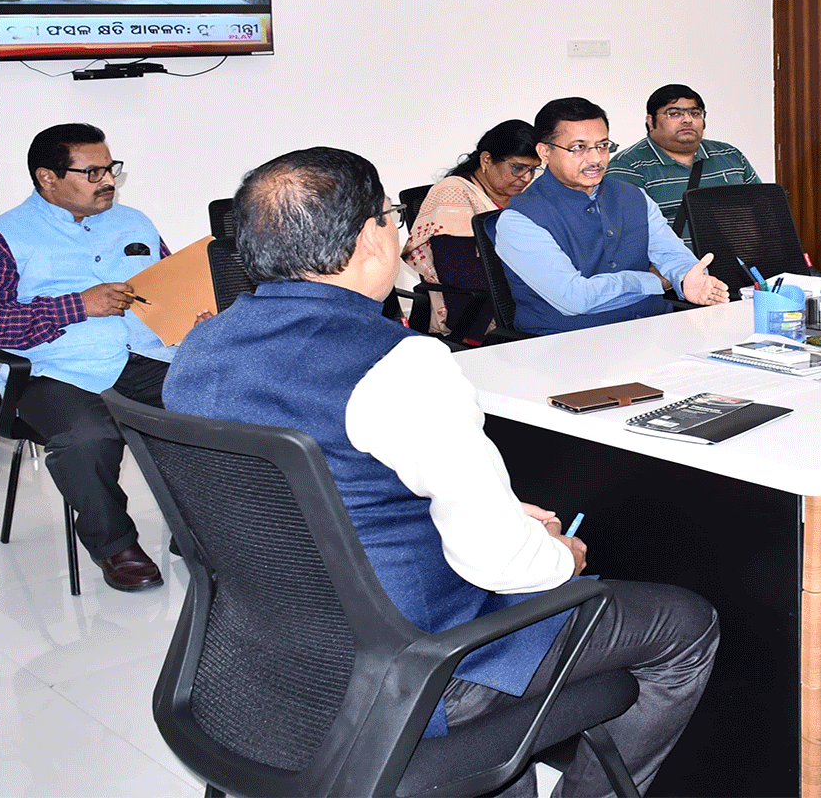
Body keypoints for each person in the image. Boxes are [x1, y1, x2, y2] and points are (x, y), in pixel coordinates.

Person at [163, 147, 718, 796]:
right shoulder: (399, 363)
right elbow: (500, 564)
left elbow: (307, 496)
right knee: (684, 624)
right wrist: (556, 557)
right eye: (392, 216)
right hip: (417, 670)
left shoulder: (200, 348)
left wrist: (495, 512)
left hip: (261, 657)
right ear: (370, 235)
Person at [0, 123, 175, 591]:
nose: (108, 181)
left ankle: (199, 526)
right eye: (93, 172)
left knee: (213, 407)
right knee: (87, 438)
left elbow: (168, 285)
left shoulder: (135, 222)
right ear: (48, 178)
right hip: (54, 371)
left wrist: (192, 312)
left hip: (144, 356)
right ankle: (116, 546)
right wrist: (77, 306)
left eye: (111, 168)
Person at [494, 97, 728, 335]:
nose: (596, 159)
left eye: (603, 146)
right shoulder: (519, 220)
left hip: (652, 333)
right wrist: (654, 282)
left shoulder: (633, 196)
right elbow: (575, 299)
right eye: (578, 148)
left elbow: (671, 253)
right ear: (545, 152)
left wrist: (686, 277)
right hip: (567, 343)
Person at [403, 119, 541, 339]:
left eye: (533, 169)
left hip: (520, 299)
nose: (526, 178)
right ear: (486, 160)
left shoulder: (523, 198)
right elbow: (461, 275)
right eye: (518, 168)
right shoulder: (453, 194)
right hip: (477, 311)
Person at [605, 84, 761, 253]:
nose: (687, 120)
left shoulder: (730, 155)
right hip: (672, 268)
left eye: (695, 113)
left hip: (738, 264)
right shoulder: (627, 167)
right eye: (674, 113)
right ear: (650, 121)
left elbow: (763, 212)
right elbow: (626, 236)